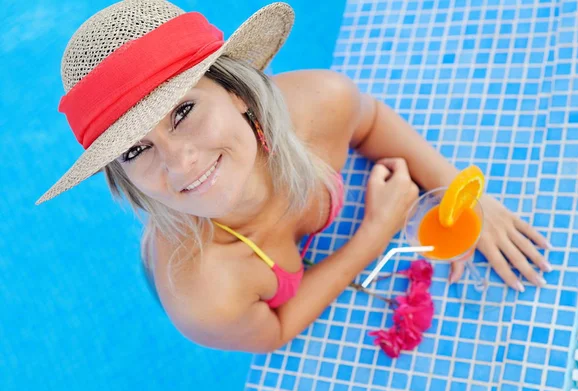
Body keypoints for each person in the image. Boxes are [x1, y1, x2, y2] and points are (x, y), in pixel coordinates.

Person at [37, 0, 550, 353]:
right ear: (122, 177)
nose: (181, 163)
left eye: (183, 111)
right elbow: (276, 328)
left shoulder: (316, 106)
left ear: (236, 91)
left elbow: (368, 119)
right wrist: (374, 233)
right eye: (136, 149)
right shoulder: (200, 290)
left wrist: (459, 192)